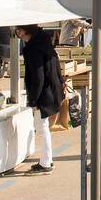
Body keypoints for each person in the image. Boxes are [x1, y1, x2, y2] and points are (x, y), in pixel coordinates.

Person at [17, 24, 66, 174]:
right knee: (43, 127)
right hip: (52, 89)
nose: (17, 32)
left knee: (42, 127)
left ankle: (46, 162)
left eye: (19, 29)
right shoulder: (45, 43)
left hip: (44, 94)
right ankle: (47, 160)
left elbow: (38, 76)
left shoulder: (33, 49)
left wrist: (33, 100)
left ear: (25, 31)